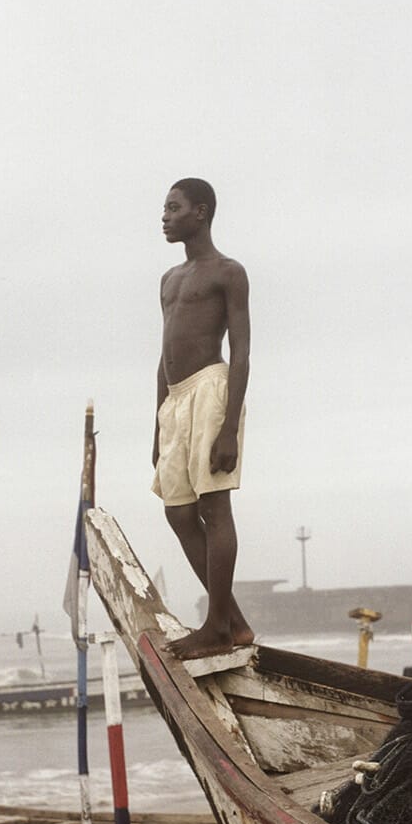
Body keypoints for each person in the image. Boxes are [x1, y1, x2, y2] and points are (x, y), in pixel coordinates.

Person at [151, 178, 254, 659]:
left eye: (174, 207)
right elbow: (163, 353)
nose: (165, 216)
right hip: (175, 400)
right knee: (178, 511)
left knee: (215, 508)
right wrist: (158, 423)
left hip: (212, 391)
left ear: (202, 212)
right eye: (164, 208)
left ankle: (216, 627)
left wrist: (230, 424)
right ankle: (232, 620)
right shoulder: (169, 280)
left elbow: (242, 351)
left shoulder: (228, 272)